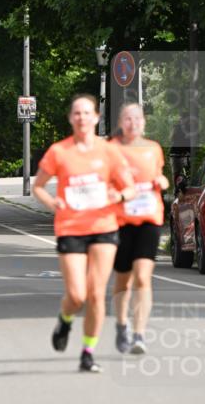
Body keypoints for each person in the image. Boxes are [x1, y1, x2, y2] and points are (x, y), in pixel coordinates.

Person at [32, 94, 134, 373]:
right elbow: (38, 186)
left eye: (87, 113)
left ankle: (88, 351)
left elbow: (131, 188)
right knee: (77, 295)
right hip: (71, 228)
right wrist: (52, 202)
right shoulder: (59, 151)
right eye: (77, 113)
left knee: (96, 294)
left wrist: (119, 193)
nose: (81, 118)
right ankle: (65, 319)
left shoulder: (109, 151)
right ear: (70, 118)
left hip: (103, 227)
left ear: (97, 117)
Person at [111, 102, 169, 355]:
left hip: (149, 218)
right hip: (121, 221)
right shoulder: (111, 150)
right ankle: (122, 324)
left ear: (143, 122)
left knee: (143, 277)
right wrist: (121, 194)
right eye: (127, 118)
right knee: (124, 278)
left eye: (137, 118)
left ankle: (139, 335)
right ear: (121, 123)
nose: (132, 122)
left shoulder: (153, 149)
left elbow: (161, 177)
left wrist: (162, 181)